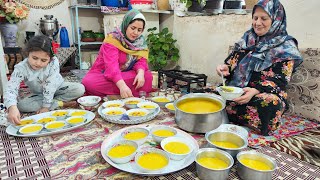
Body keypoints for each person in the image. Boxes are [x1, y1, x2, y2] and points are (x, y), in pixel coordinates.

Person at [216, 0, 303, 136]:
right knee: (206, 92)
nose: (257, 23)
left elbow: (281, 80)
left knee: (269, 103)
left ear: (276, 19)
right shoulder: (247, 38)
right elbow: (232, 63)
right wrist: (225, 68)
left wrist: (255, 90)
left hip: (261, 94)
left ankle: (227, 113)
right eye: (255, 18)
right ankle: (232, 113)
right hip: (238, 91)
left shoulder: (286, 46)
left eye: (264, 18)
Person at [4, 35, 85, 125]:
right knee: (21, 106)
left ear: (50, 59)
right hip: (40, 94)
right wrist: (12, 107)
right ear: (28, 53)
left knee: (80, 88)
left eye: (43, 60)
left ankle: (52, 102)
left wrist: (46, 106)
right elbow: (11, 88)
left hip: (58, 88)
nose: (38, 63)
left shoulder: (54, 62)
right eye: (34, 58)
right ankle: (61, 103)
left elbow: (50, 85)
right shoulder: (21, 68)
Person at [82, 9, 152, 98]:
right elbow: (111, 67)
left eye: (139, 30)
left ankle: (116, 94)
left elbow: (141, 61)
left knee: (147, 76)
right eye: (133, 28)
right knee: (89, 82)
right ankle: (125, 91)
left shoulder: (140, 42)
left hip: (124, 74)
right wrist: (122, 86)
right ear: (126, 25)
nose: (135, 33)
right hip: (105, 74)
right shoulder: (112, 40)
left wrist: (140, 73)